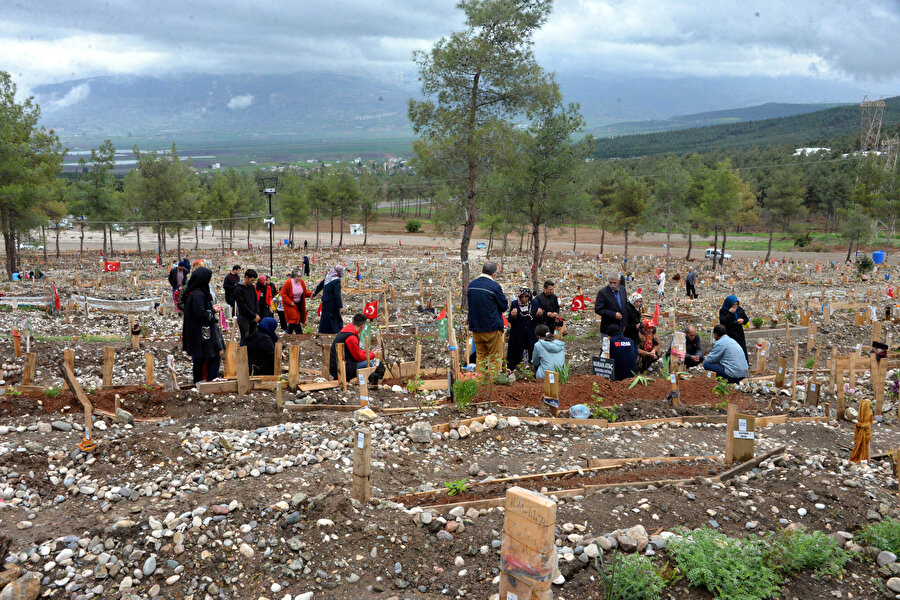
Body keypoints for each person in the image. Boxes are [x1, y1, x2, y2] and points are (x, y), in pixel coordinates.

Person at [181, 267, 224, 383]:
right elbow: (200, 314)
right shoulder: (197, 295)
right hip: (199, 332)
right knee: (202, 357)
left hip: (198, 331)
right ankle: (200, 380)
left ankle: (200, 380)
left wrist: (210, 309)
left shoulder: (196, 293)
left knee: (201, 357)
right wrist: (213, 311)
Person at [466, 261, 508, 373]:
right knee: (495, 358)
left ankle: (480, 384)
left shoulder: (471, 285)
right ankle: (493, 387)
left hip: (476, 328)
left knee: (480, 358)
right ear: (494, 273)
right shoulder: (494, 286)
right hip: (492, 328)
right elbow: (504, 306)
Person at [330, 313, 384, 384]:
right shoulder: (351, 337)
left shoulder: (347, 330)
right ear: (362, 326)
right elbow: (358, 357)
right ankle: (372, 382)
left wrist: (370, 352)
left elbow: (356, 351)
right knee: (369, 363)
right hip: (340, 369)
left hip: (337, 365)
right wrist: (373, 355)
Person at [507, 288, 536, 371]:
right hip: (517, 333)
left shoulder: (533, 304)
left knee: (531, 351)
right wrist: (513, 316)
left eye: (526, 297)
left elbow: (537, 319)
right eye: (522, 297)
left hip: (530, 333)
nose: (524, 299)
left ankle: (530, 369)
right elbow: (510, 320)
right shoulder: (515, 304)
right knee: (516, 353)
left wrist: (538, 314)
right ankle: (514, 369)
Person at [281, 269, 312, 334]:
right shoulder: (288, 282)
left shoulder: (302, 282)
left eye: (300, 276)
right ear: (294, 276)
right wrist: (289, 302)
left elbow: (304, 292)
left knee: (294, 320)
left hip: (299, 304)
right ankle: (299, 333)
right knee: (295, 318)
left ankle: (288, 333)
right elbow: (283, 293)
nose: (299, 278)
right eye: (297, 277)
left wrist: (311, 294)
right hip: (291, 304)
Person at [719, 295, 750, 361]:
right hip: (729, 333)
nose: (735, 306)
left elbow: (746, 319)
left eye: (736, 304)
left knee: (741, 349)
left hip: (739, 333)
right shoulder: (723, 311)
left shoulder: (739, 309)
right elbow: (723, 322)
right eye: (733, 304)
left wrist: (743, 320)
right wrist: (730, 313)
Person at [317, 265, 345, 334]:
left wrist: (314, 293)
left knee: (325, 318)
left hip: (325, 301)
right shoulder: (336, 280)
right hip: (332, 302)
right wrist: (340, 307)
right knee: (335, 318)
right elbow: (337, 295)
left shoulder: (328, 277)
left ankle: (323, 332)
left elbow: (320, 285)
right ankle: (337, 333)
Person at [234, 269, 260, 340]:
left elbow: (256, 300)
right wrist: (253, 316)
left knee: (254, 338)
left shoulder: (251, 287)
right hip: (244, 317)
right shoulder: (238, 289)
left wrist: (257, 314)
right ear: (246, 278)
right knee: (245, 339)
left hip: (254, 317)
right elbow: (242, 305)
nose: (253, 282)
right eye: (252, 280)